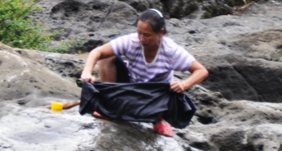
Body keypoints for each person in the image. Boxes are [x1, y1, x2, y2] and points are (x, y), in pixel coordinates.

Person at [79, 9, 208, 136]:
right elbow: (97, 52)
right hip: (129, 87)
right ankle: (109, 106)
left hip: (153, 97)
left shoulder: (171, 51)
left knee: (171, 88)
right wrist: (87, 71)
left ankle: (158, 121)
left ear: (160, 33)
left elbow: (201, 71)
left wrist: (184, 84)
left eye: (146, 35)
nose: (141, 38)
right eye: (139, 32)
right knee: (107, 57)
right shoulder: (132, 41)